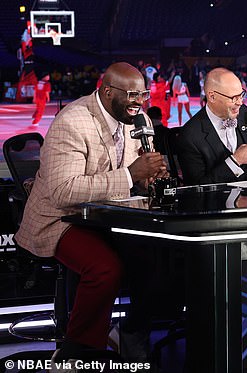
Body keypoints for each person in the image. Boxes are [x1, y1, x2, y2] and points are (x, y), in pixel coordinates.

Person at [15, 62, 167, 361]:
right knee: (104, 268)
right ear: (108, 92)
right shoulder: (72, 121)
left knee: (160, 256)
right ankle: (77, 352)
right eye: (133, 95)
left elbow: (137, 174)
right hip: (58, 217)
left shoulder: (137, 119)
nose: (140, 102)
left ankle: (129, 331)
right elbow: (63, 191)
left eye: (144, 95)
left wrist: (150, 179)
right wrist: (130, 175)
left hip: (105, 215)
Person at [179, 67, 247, 185]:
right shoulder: (190, 135)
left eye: (241, 95)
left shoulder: (243, 112)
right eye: (233, 98)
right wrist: (235, 160)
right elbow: (196, 189)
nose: (240, 102)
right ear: (212, 96)